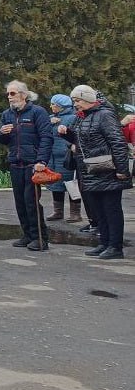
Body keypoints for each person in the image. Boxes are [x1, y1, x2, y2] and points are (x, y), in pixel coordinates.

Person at [63, 85, 131, 260]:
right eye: (73, 101)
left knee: (111, 210)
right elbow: (81, 140)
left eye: (77, 100)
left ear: (87, 99)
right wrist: (67, 135)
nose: (75, 104)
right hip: (90, 171)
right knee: (98, 210)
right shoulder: (84, 117)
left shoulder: (105, 115)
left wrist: (122, 170)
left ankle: (115, 247)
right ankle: (105, 243)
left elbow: (118, 142)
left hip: (108, 170)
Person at [0, 80, 55, 250]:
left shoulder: (38, 112)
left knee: (32, 202)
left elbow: (46, 137)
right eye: (8, 94)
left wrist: (41, 161)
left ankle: (40, 238)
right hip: (15, 162)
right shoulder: (7, 114)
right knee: (20, 202)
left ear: (24, 94)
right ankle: (27, 235)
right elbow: (2, 139)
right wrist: (1, 133)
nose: (9, 97)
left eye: (12, 93)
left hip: (32, 164)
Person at [46, 94, 80, 223]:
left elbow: (75, 135)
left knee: (71, 184)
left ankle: (75, 213)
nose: (51, 106)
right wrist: (49, 123)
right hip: (53, 157)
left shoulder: (73, 118)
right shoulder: (50, 118)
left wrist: (72, 146)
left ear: (61, 106)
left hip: (67, 157)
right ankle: (58, 212)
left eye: (53, 104)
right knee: (56, 184)